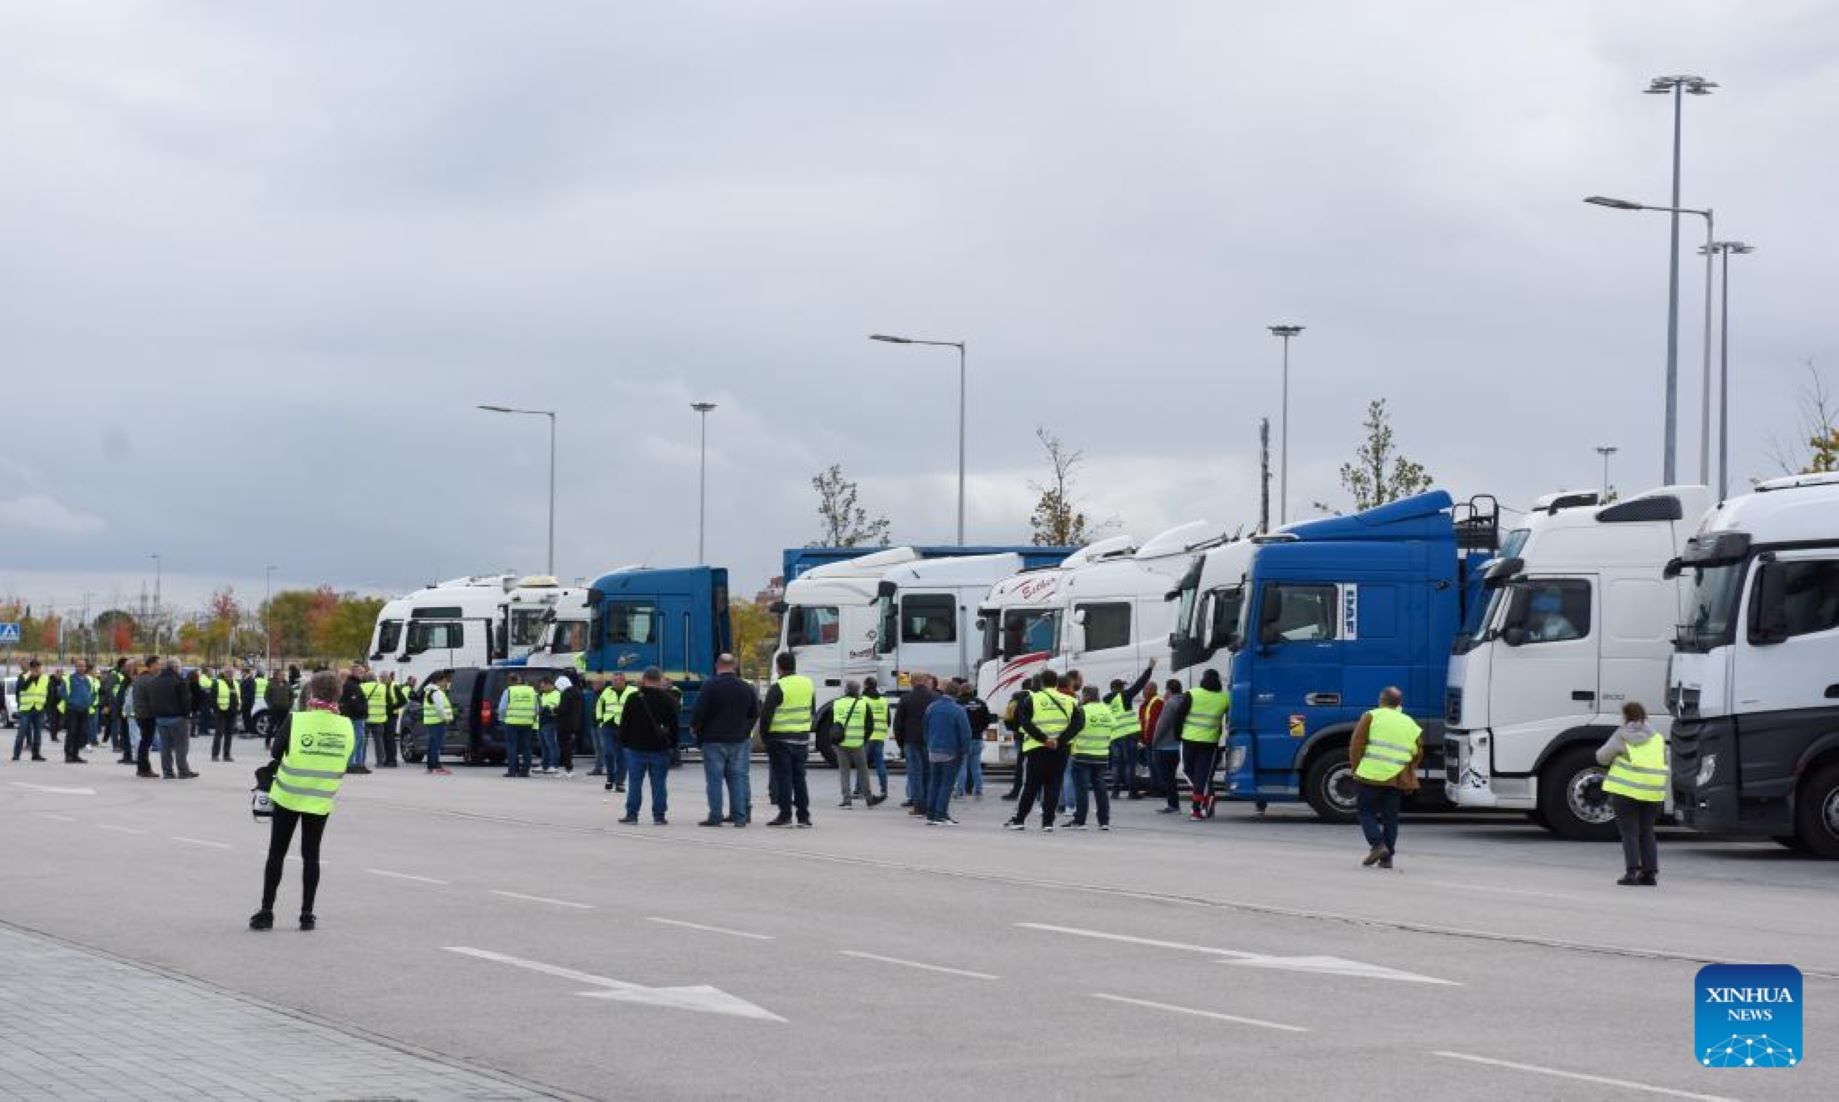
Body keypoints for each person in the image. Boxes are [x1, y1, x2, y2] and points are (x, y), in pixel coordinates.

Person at [250, 670, 354, 931]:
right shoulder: (346, 725)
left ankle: (266, 911)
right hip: (320, 798)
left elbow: (275, 751)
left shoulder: (296, 719)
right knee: (311, 856)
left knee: (277, 853)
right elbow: (346, 759)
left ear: (312, 692)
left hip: (288, 794)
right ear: (338, 694)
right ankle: (307, 914)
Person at [1348, 686, 1422, 869]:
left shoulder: (1372, 716)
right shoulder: (1410, 723)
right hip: (1396, 778)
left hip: (1370, 774)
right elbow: (1418, 752)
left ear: (1381, 700)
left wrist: (1357, 769)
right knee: (1391, 818)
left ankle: (1378, 845)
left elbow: (1356, 745)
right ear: (1399, 703)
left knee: (1365, 811)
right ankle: (1387, 858)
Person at [1598, 701, 1667, 887]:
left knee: (1630, 832)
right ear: (1645, 716)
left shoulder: (1621, 735)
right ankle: (1650, 874)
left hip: (1625, 791)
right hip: (1652, 791)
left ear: (1625, 716)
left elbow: (1602, 757)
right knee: (1647, 831)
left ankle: (1631, 873)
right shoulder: (1657, 738)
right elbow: (1665, 761)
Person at [1006, 669, 1080, 831]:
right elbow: (1078, 724)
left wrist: (1044, 739)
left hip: (1037, 748)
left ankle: (1020, 820)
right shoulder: (1070, 701)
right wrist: (1059, 741)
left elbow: (1024, 722)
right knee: (1053, 785)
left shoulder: (1032, 699)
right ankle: (1048, 823)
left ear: (1040, 682)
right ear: (1056, 683)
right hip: (1060, 749)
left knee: (1031, 785)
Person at [691, 653, 759, 827]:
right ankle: (740, 817)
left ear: (716, 665)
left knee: (714, 780)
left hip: (713, 740)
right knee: (737, 778)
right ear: (734, 666)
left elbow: (699, 712)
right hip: (739, 739)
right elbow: (754, 713)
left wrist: (696, 729)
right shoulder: (746, 687)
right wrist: (745, 731)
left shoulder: (709, 686)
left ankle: (715, 816)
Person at [759, 652, 815, 828]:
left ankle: (785, 815)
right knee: (800, 778)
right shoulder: (808, 684)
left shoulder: (778, 687)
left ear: (778, 666)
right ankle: (804, 816)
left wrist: (765, 738)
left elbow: (766, 715)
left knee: (784, 778)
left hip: (781, 739)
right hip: (802, 738)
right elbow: (811, 710)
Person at [618, 667, 679, 825]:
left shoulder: (633, 698)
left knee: (635, 783)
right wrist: (672, 745)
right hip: (660, 749)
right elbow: (674, 726)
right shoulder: (668, 699)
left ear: (644, 679)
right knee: (659, 784)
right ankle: (659, 816)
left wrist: (624, 743)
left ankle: (632, 815)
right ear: (660, 680)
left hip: (636, 748)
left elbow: (625, 724)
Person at [1178, 669, 1229, 820]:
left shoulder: (1191, 694)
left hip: (1189, 740)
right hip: (1210, 742)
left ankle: (1197, 810)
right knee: (1202, 776)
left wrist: (1177, 735)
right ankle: (1207, 797)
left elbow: (1179, 716)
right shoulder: (1225, 698)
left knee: (1188, 771)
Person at [923, 680, 973, 825]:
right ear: (957, 693)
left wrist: (929, 743)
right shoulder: (958, 710)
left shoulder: (931, 707)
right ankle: (941, 815)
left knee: (935, 782)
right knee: (947, 784)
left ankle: (931, 814)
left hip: (933, 749)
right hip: (951, 750)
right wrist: (965, 749)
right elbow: (965, 732)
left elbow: (924, 726)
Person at [1107, 660, 1156, 799]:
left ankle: (1115, 792)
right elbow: (1140, 684)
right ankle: (1132, 791)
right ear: (1120, 687)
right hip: (1127, 734)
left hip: (1114, 735)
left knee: (1116, 764)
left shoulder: (1106, 700)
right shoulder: (1125, 695)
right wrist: (1150, 669)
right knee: (1130, 763)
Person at [895, 672, 939, 816]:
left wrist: (901, 743)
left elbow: (898, 724)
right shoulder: (935, 697)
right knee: (929, 773)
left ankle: (918, 806)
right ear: (925, 681)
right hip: (930, 740)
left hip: (911, 740)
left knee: (915, 773)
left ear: (911, 683)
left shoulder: (906, 698)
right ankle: (930, 804)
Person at [148, 658, 197, 779]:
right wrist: (187, 714)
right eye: (180, 667)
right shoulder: (179, 680)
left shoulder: (155, 681)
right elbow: (186, 701)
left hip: (160, 718)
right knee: (181, 746)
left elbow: (152, 700)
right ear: (175, 667)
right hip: (177, 717)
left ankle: (168, 772)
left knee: (165, 746)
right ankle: (183, 771)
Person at [831, 681, 876, 808]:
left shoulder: (837, 703)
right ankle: (869, 799)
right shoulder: (863, 704)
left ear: (846, 690)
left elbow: (831, 725)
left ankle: (847, 800)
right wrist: (864, 738)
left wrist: (833, 741)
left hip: (841, 743)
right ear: (858, 690)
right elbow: (870, 726)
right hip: (857, 743)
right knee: (863, 770)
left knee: (844, 771)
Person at [596, 673, 636, 792]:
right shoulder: (607, 691)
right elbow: (600, 706)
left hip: (624, 728)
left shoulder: (632, 691)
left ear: (624, 681)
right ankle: (610, 778)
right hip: (608, 726)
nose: (615, 682)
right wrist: (600, 721)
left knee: (622, 756)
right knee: (608, 753)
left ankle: (620, 783)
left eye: (618, 680)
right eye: (614, 680)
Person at [1149, 679, 1183, 812]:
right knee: (1171, 777)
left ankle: (1173, 805)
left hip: (1165, 746)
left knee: (1167, 778)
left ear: (1169, 690)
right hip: (1178, 746)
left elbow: (1162, 725)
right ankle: (1174, 804)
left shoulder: (1170, 704)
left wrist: (1154, 741)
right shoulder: (1184, 701)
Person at [499, 675, 538, 777]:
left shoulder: (509, 691)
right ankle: (525, 771)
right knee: (526, 747)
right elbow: (537, 708)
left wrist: (502, 719)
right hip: (527, 722)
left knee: (512, 747)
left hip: (511, 722)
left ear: (511, 681)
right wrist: (532, 718)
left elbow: (502, 708)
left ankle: (512, 771)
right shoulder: (532, 691)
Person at [957, 684, 991, 798]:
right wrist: (980, 730)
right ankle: (978, 790)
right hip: (977, 737)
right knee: (976, 766)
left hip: (962, 739)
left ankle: (960, 791)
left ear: (961, 691)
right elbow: (987, 720)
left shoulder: (958, 703)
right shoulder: (981, 703)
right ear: (972, 691)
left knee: (962, 766)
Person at [863, 675, 892, 800]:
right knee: (880, 763)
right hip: (880, 735)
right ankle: (884, 789)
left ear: (866, 686)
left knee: (862, 764)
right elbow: (888, 720)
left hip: (867, 736)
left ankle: (859, 789)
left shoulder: (864, 700)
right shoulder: (883, 701)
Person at [62, 659, 96, 764]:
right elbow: (62, 692)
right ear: (75, 667)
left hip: (84, 710)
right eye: (79, 666)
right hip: (72, 710)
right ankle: (68, 755)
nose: (81, 668)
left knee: (80, 733)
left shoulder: (88, 680)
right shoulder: (69, 679)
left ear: (86, 667)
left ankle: (76, 755)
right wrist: (71, 701)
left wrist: (90, 702)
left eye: (83, 666)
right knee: (71, 732)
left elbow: (93, 693)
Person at [131, 656, 160, 777]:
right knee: (146, 742)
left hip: (141, 713)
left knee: (145, 741)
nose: (160, 666)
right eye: (158, 664)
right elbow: (153, 699)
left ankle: (142, 767)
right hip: (147, 714)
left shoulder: (141, 678)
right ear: (152, 665)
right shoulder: (149, 680)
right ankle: (144, 768)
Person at [421, 671, 455, 775]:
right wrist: (445, 718)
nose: (445, 682)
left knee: (432, 744)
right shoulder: (436, 692)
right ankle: (436, 766)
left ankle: (431, 766)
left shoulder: (429, 691)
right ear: (438, 681)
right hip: (437, 721)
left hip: (431, 721)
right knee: (436, 745)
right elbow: (440, 708)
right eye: (444, 680)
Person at [343, 665, 375, 775]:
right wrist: (363, 711)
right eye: (361, 673)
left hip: (356, 717)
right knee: (356, 741)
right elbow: (354, 702)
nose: (363, 675)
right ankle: (352, 764)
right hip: (356, 717)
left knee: (359, 741)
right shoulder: (352, 685)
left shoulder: (354, 684)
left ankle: (359, 764)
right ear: (355, 673)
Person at [555, 674, 583, 778]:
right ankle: (568, 768)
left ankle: (568, 768)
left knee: (564, 746)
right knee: (569, 746)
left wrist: (554, 710)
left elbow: (563, 709)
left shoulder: (566, 693)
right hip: (574, 723)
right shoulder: (577, 692)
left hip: (564, 724)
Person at [211, 666, 241, 763]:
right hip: (221, 712)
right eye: (228, 672)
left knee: (229, 735)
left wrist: (238, 708)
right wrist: (216, 710)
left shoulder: (236, 683)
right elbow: (212, 698)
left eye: (232, 673)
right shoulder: (217, 683)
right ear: (224, 673)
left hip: (232, 712)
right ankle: (215, 755)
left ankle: (226, 755)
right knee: (218, 734)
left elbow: (238, 697)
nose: (230, 674)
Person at [534, 676, 560, 775]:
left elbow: (556, 707)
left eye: (543, 686)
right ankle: (545, 765)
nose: (542, 688)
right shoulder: (543, 694)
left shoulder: (557, 694)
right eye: (541, 686)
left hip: (550, 722)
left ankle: (554, 765)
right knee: (544, 745)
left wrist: (548, 708)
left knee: (552, 744)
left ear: (550, 684)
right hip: (541, 721)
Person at [263, 672, 293, 751]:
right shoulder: (271, 684)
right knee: (271, 726)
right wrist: (270, 705)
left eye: (284, 675)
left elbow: (292, 695)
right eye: (281, 675)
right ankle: (267, 743)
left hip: (285, 709)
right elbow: (266, 696)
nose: (283, 677)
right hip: (274, 709)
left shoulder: (287, 684)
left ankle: (280, 744)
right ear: (277, 676)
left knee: (282, 728)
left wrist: (290, 704)